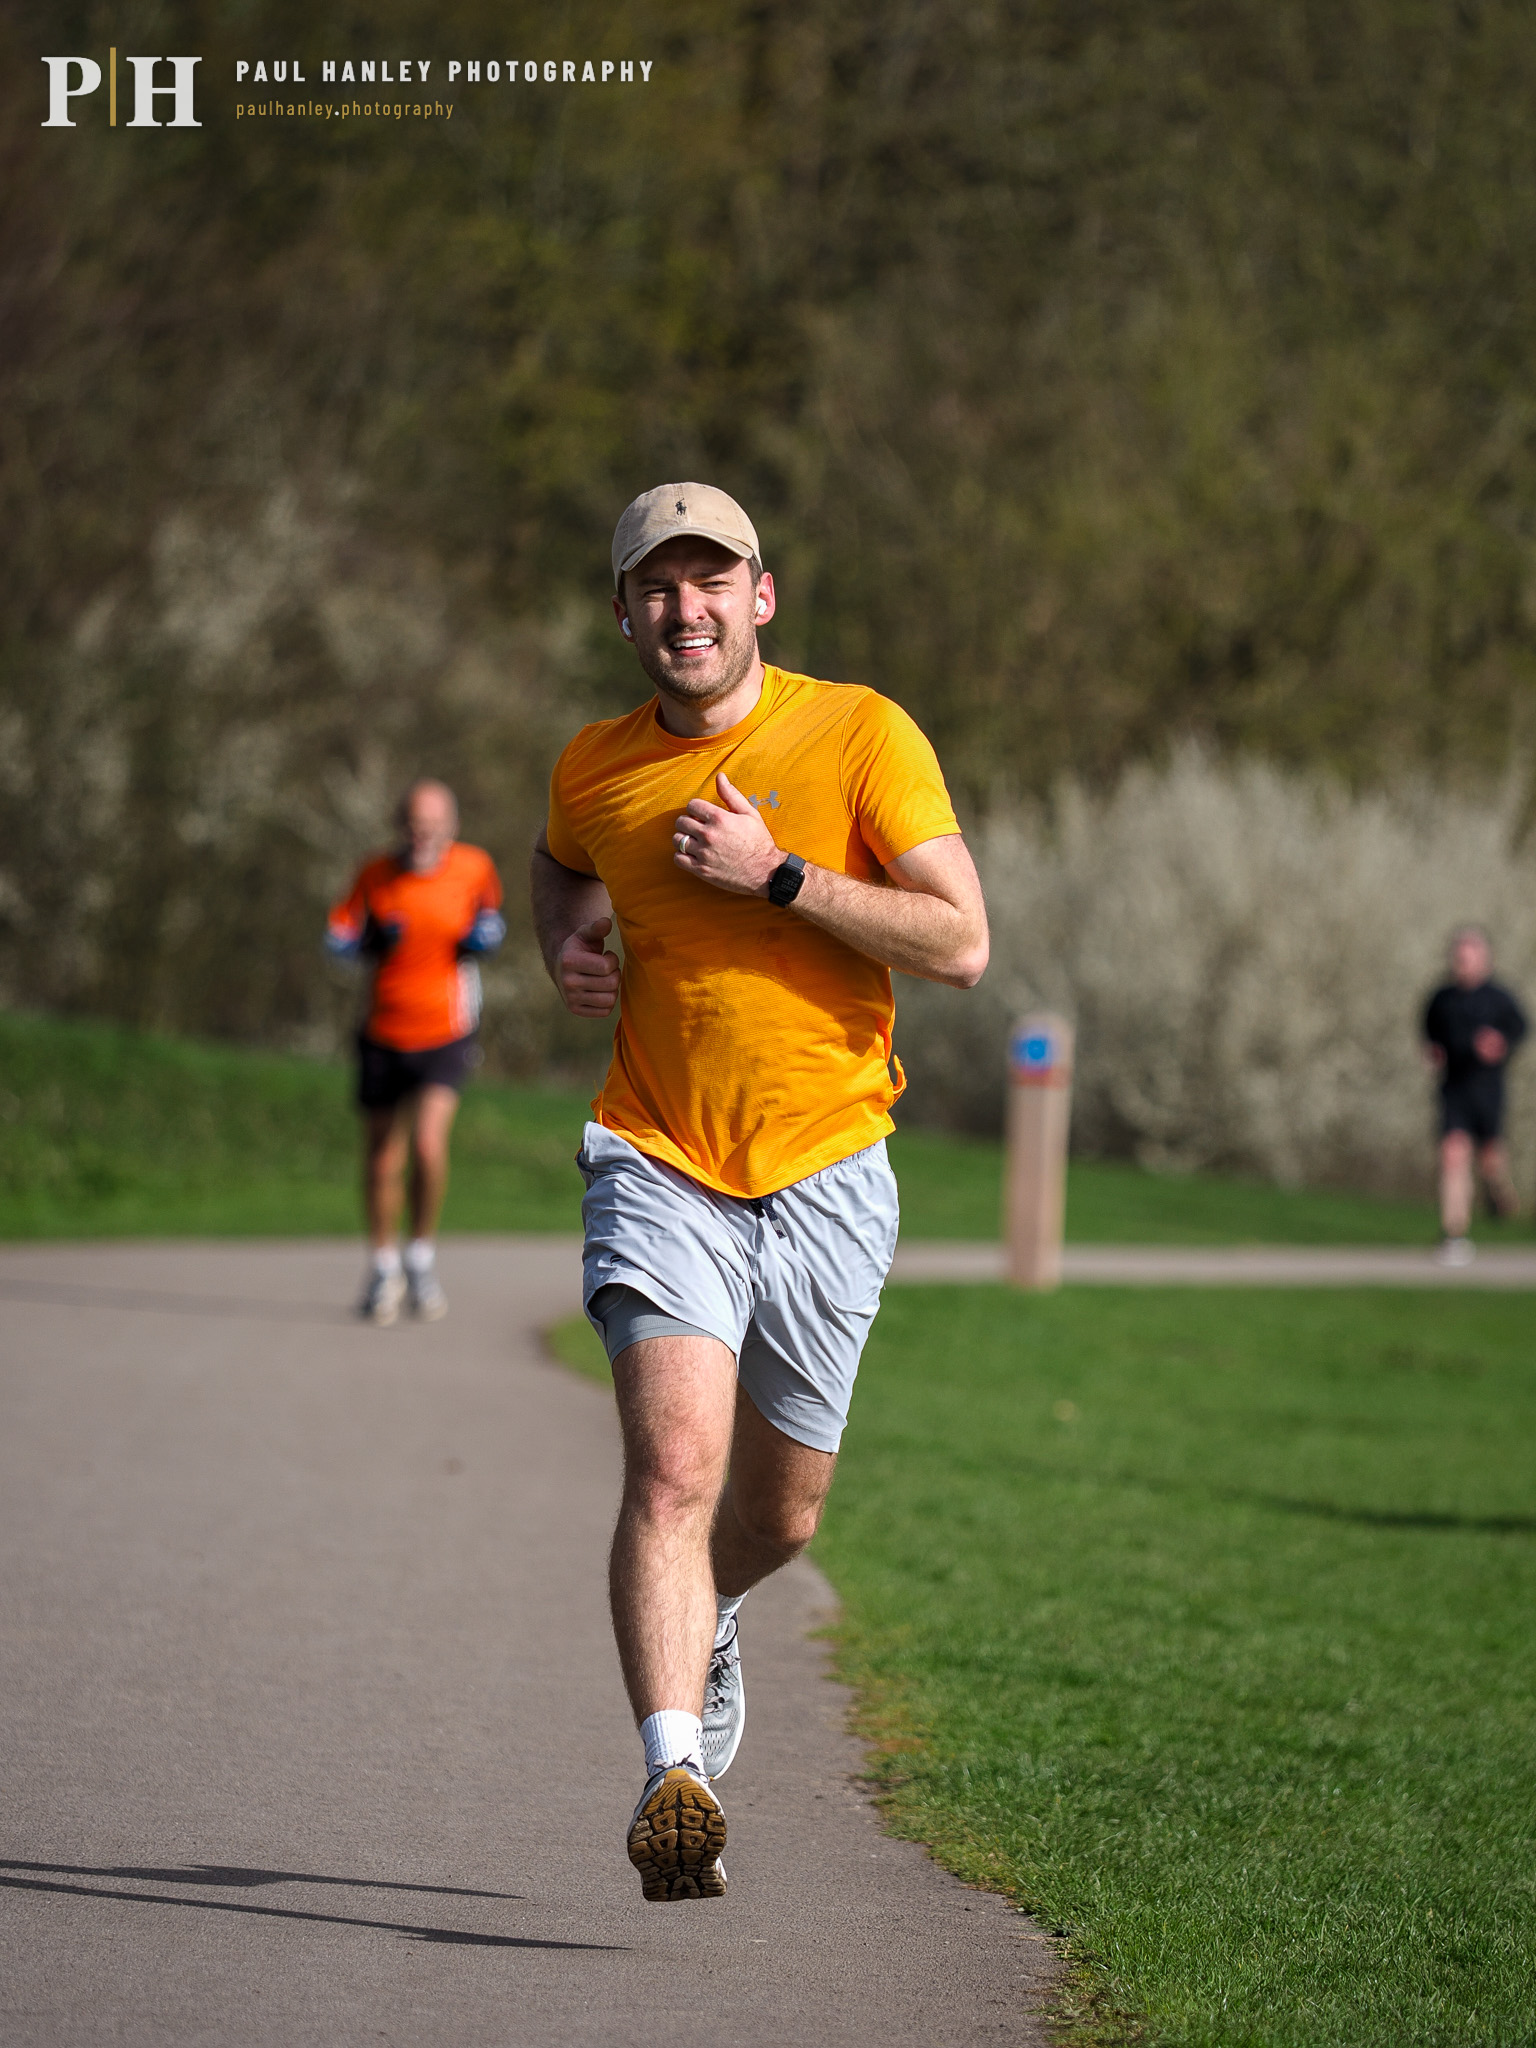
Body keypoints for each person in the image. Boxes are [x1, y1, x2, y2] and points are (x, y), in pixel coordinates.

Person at [530, 482, 989, 1903]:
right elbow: (560, 869)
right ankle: (673, 1775)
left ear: (761, 595)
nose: (688, 609)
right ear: (624, 613)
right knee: (675, 1467)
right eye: (658, 587)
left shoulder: (860, 732)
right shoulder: (594, 768)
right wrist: (567, 946)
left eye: (711, 580)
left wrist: (778, 875)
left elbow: (961, 942)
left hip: (829, 1170)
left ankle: (716, 1606)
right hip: (658, 1155)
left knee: (780, 1515)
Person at [327, 779, 505, 1323]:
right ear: (399, 825)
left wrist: (483, 937)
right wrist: (364, 942)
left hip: (446, 1030)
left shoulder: (474, 867)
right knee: (384, 1156)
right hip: (383, 1031)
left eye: (432, 824)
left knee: (428, 1145)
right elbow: (336, 934)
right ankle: (383, 1267)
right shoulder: (375, 874)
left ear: (451, 827)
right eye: (412, 823)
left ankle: (420, 1259)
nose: (421, 833)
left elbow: (493, 919)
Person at [1422, 924, 1527, 1266]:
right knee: (1452, 1155)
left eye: (1468, 957)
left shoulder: (1499, 998)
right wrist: (1433, 1051)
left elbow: (1520, 1028)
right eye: (1458, 957)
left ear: (1484, 959)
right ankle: (1454, 1235)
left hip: (1487, 1089)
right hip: (1454, 1088)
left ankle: (1498, 1193)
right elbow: (1429, 1032)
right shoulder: (1441, 998)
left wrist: (1500, 1043)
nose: (1462, 964)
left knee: (1490, 1160)